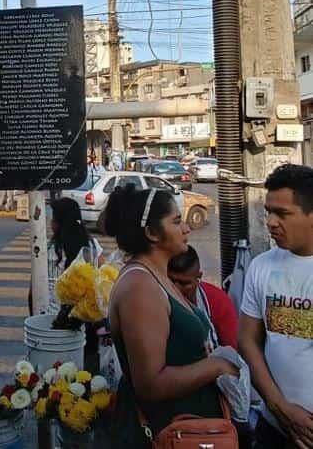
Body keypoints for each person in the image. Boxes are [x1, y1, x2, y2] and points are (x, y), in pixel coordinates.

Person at [106, 184, 238, 446]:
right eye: (176, 221)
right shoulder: (139, 287)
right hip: (165, 432)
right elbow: (150, 383)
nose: (186, 228)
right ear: (152, 233)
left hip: (190, 428)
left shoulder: (159, 276)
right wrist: (217, 366)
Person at [238, 164, 313, 448]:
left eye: (282, 214)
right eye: (268, 211)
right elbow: (248, 340)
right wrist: (280, 407)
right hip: (275, 428)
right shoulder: (261, 266)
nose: (270, 222)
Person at [168, 245, 239, 349]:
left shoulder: (217, 300)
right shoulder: (155, 301)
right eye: (171, 281)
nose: (176, 289)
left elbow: (233, 350)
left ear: (198, 277)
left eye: (184, 283)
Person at [47, 197, 104, 314]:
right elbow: (103, 275)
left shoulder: (47, 249)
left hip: (51, 316)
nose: (51, 222)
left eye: (53, 219)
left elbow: (34, 291)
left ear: (58, 223)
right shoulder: (92, 245)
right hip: (83, 316)